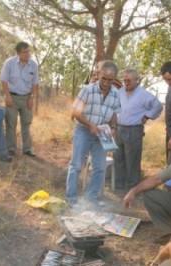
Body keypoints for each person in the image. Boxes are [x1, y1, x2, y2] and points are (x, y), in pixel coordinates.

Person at [66, 60, 121, 208]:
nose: (106, 82)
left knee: (100, 167)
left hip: (102, 133)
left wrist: (114, 127)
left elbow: (114, 113)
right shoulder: (87, 90)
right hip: (83, 131)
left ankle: (91, 199)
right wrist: (90, 125)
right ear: (98, 74)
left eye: (110, 80)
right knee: (76, 165)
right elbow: (75, 112)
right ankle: (71, 198)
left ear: (115, 79)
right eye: (103, 78)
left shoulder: (116, 94)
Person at [114, 68, 162, 189]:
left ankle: (132, 188)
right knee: (118, 158)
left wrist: (147, 116)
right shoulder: (119, 92)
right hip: (119, 129)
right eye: (124, 80)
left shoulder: (144, 95)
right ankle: (119, 187)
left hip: (134, 130)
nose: (126, 82)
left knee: (132, 161)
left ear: (137, 80)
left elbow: (158, 106)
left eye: (129, 80)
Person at [0, 41, 39, 157]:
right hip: (12, 97)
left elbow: (35, 83)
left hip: (27, 97)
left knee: (26, 124)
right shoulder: (9, 63)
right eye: (24, 52)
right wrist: (7, 96)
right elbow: (4, 80)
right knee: (11, 124)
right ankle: (11, 148)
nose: (27, 54)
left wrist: (32, 97)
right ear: (17, 53)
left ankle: (27, 149)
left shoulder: (33, 65)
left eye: (28, 52)